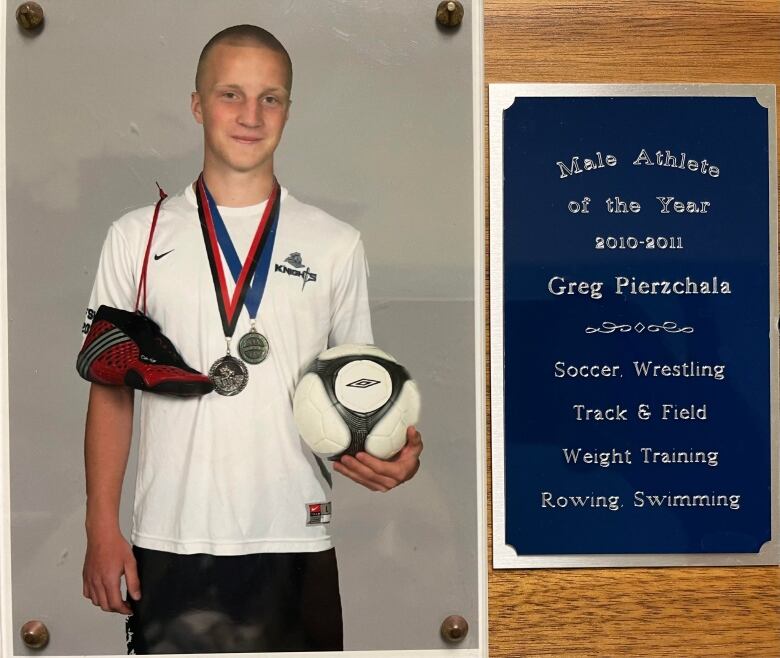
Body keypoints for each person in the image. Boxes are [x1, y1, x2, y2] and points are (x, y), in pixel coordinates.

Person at [80, 24, 423, 654]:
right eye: (230, 94)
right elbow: (111, 391)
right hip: (172, 535)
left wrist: (398, 451)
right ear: (197, 104)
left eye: (270, 98)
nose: (250, 114)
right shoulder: (135, 236)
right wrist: (102, 525)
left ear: (289, 110)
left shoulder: (335, 242)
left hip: (295, 536)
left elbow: (362, 389)